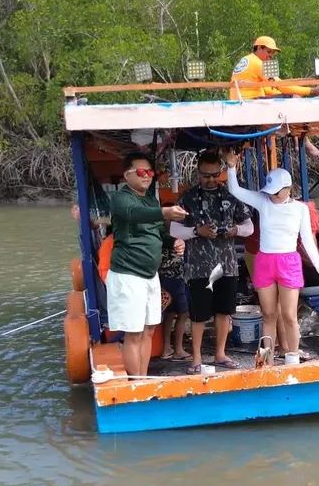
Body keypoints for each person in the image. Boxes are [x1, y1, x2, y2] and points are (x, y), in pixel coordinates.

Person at [222, 150, 319, 358]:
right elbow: (235, 190)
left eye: (277, 191)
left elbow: (307, 240)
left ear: (288, 188)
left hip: (289, 262)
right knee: (269, 315)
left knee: (289, 316)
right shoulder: (263, 201)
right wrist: (231, 167)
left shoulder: (299, 209)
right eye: (270, 191)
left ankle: (293, 357)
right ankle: (266, 360)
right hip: (265, 261)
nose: (273, 195)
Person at [105, 153, 188, 377]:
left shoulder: (151, 199)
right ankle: (136, 381)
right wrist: (163, 212)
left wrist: (174, 242)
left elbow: (159, 232)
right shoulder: (121, 198)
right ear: (127, 175)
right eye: (142, 172)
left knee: (149, 330)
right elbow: (134, 215)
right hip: (128, 274)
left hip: (151, 275)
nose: (147, 176)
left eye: (150, 172)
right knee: (133, 333)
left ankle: (142, 378)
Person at [171, 151, 254, 373]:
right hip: (198, 267)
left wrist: (235, 229)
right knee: (198, 314)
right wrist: (197, 231)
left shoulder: (230, 196)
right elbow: (174, 228)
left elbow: (249, 227)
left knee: (223, 311)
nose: (211, 179)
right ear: (198, 173)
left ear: (221, 172)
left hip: (226, 265)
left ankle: (220, 354)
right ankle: (196, 358)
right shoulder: (187, 198)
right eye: (206, 175)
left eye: (215, 174)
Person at [229, 36, 319, 100]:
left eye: (272, 53)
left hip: (239, 99)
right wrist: (311, 91)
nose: (271, 56)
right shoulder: (259, 64)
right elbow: (281, 85)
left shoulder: (248, 59)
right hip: (249, 101)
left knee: (283, 96)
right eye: (269, 51)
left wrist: (278, 93)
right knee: (293, 98)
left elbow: (268, 88)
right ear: (259, 48)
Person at [158, 228, 190, 361]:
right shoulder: (173, 233)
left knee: (169, 313)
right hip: (175, 276)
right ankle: (178, 349)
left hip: (163, 276)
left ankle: (166, 348)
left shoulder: (160, 231)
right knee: (183, 313)